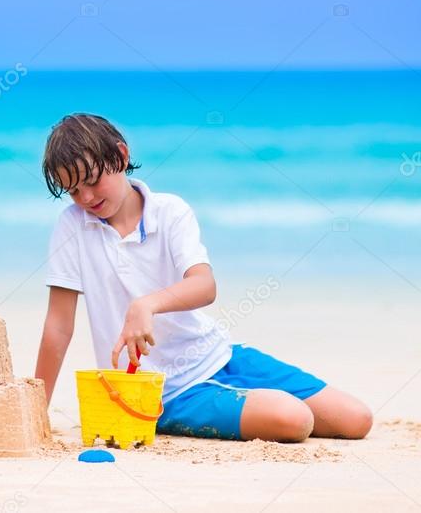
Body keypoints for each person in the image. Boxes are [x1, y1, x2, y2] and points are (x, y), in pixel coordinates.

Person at [34, 114, 372, 441]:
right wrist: (37, 412)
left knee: (357, 419)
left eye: (92, 181)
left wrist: (147, 305)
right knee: (294, 419)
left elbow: (204, 285)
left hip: (218, 355)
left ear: (121, 156)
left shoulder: (169, 211)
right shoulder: (72, 226)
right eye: (73, 191)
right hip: (159, 391)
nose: (87, 198)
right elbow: (59, 326)